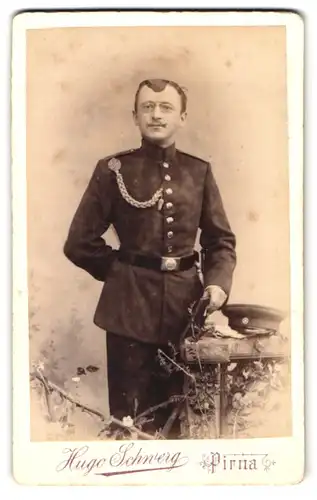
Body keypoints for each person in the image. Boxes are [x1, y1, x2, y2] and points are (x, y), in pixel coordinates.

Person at [64, 78, 236, 438]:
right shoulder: (112, 170)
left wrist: (218, 284)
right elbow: (79, 243)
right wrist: (123, 274)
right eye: (148, 107)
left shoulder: (198, 172)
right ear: (135, 115)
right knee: (130, 426)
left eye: (166, 108)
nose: (156, 115)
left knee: (183, 421)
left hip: (186, 314)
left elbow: (220, 241)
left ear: (182, 117)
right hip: (128, 314)